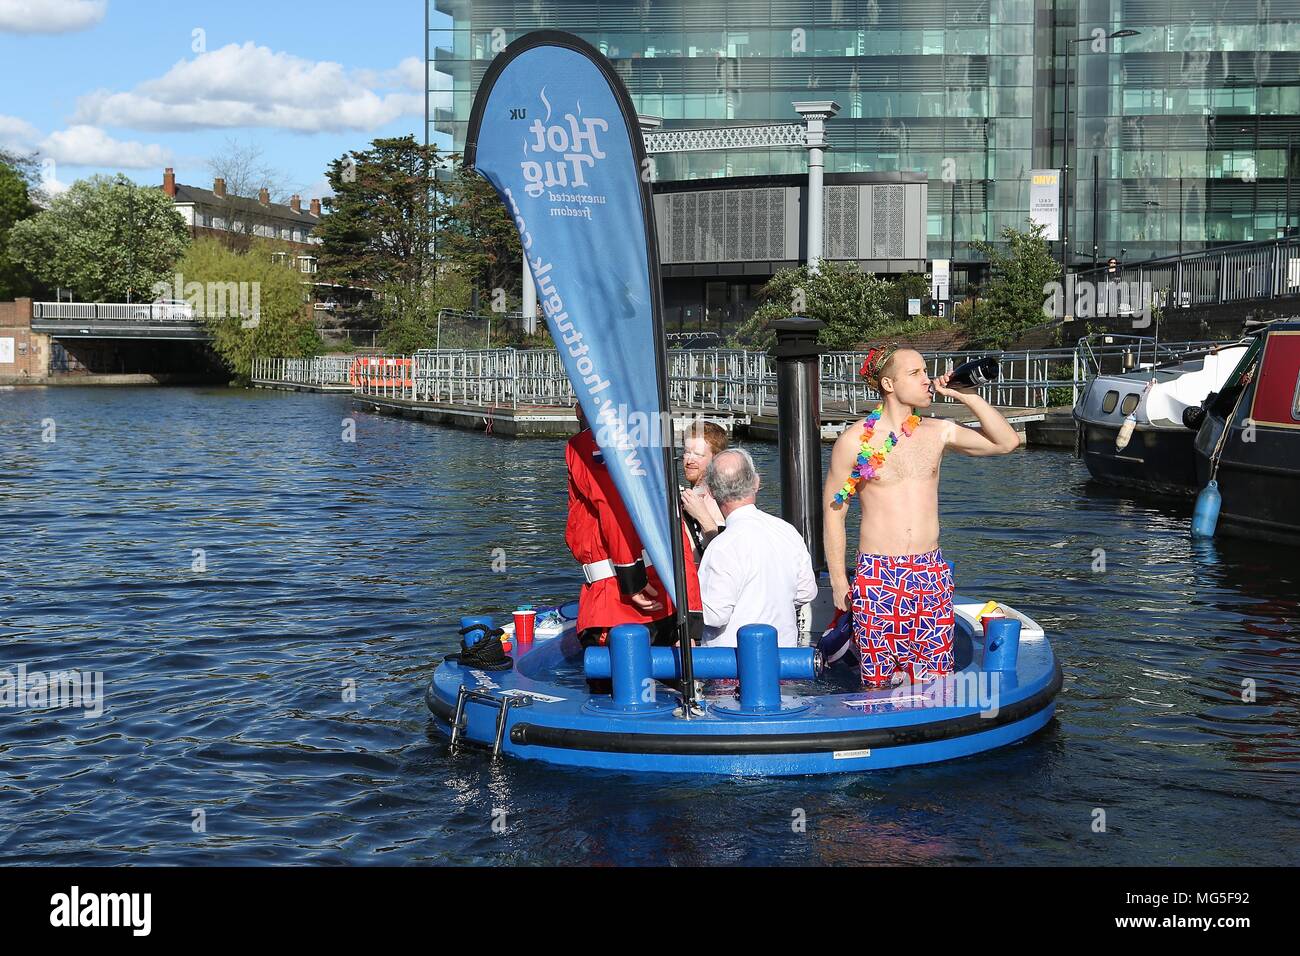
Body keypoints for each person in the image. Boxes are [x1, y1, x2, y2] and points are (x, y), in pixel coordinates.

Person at [823, 344, 1020, 688]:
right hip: (878, 574)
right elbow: (834, 512)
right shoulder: (854, 442)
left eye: (926, 372)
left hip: (930, 571)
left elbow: (1007, 443)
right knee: (877, 679)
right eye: (915, 373)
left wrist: (966, 394)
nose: (927, 380)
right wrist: (840, 581)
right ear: (888, 384)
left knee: (934, 679)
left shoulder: (937, 431)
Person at [565, 404, 702, 691]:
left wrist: (631, 580)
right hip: (665, 599)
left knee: (614, 706)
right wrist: (690, 616)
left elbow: (614, 507)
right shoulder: (653, 447)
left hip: (617, 603)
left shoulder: (588, 447)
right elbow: (678, 543)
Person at [697, 448, 818, 648]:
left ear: (710, 491)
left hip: (733, 666)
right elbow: (806, 591)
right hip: (784, 661)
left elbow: (715, 615)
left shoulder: (721, 547)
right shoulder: (787, 531)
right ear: (756, 482)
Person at [678, 420, 728, 563]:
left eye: (699, 455)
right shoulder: (686, 495)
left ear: (716, 459)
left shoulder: (721, 501)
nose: (689, 460)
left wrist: (701, 515)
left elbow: (729, 555)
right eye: (687, 452)